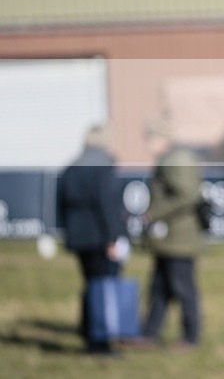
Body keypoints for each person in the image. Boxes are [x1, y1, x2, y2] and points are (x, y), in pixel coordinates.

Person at [57, 124, 127, 355]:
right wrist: (112, 238)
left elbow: (61, 203)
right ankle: (99, 342)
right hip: (99, 238)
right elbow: (107, 204)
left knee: (90, 285)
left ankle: (87, 331)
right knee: (102, 289)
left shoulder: (72, 167)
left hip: (79, 238)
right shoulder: (103, 165)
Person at [138, 116, 204, 349]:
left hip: (179, 239)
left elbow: (188, 194)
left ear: (162, 138)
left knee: (183, 288)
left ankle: (191, 337)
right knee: (159, 288)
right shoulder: (170, 158)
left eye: (150, 138)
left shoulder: (177, 159)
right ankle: (149, 333)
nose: (147, 144)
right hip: (169, 239)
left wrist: (154, 213)